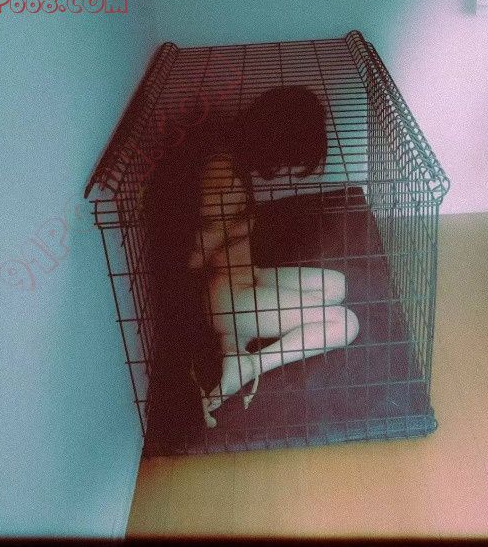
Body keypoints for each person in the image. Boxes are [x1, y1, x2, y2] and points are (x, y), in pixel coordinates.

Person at [144, 85, 359, 437]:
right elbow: (194, 253)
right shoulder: (223, 172)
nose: (286, 168)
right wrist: (214, 245)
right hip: (228, 296)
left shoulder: (228, 152)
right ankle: (251, 364)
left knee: (337, 284)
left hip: (246, 277)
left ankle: (236, 340)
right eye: (291, 157)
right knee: (345, 321)